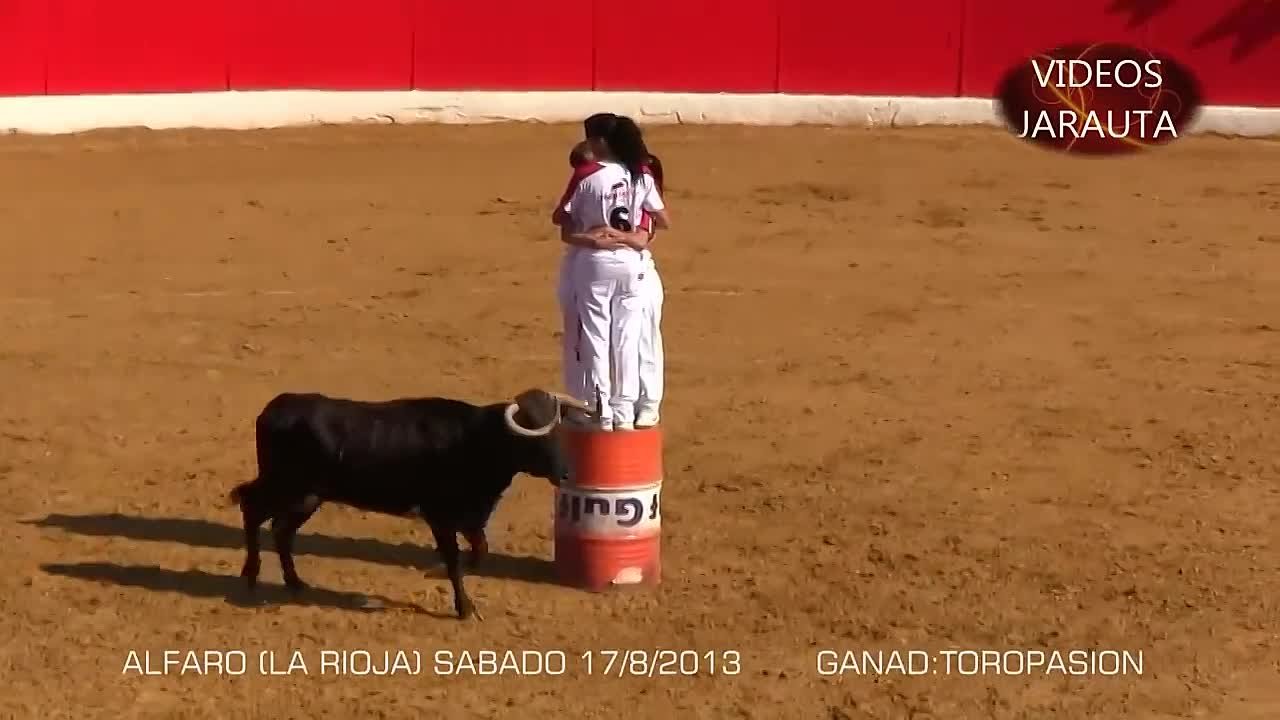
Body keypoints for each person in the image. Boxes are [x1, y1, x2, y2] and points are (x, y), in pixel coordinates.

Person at [553, 114, 670, 428]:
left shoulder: (589, 176)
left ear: (600, 143)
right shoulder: (641, 177)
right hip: (633, 265)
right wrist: (624, 236)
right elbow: (659, 223)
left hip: (596, 264)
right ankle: (626, 410)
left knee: (595, 337)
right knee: (630, 340)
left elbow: (561, 221)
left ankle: (602, 410)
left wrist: (597, 236)